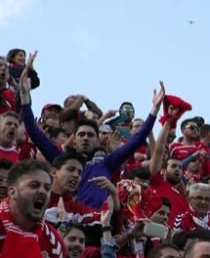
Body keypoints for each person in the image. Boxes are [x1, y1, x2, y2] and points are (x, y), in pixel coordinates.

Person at [21, 70, 160, 207]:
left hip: (98, 225)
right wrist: (25, 99)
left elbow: (137, 139)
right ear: (74, 140)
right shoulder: (61, 159)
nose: (85, 138)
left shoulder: (106, 163)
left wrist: (154, 110)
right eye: (81, 135)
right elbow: (35, 134)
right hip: (63, 224)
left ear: (97, 140)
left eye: (90, 135)